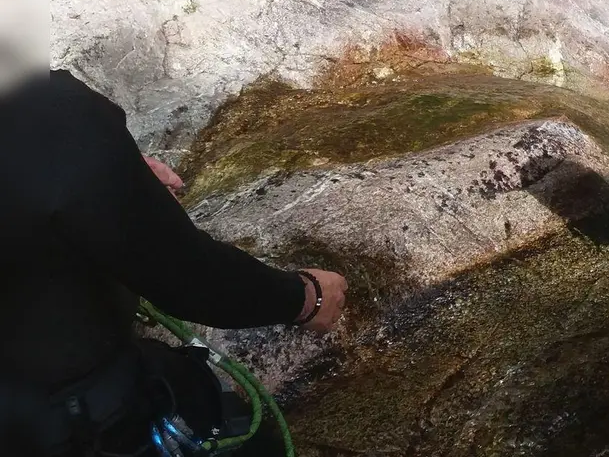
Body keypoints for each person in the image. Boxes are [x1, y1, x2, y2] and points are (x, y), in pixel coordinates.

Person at [1, 70, 350, 457]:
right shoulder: (46, 112)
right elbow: (193, 281)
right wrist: (306, 298)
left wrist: (114, 171)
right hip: (65, 421)